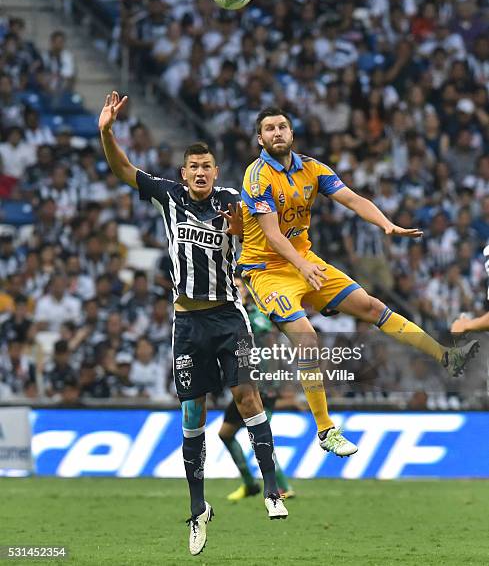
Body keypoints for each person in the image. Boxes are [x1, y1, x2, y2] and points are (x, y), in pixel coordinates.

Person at [99, 91, 287, 557]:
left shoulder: (234, 202)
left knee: (248, 397)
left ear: (216, 171)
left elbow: (257, 240)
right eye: (193, 167)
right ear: (184, 173)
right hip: (187, 322)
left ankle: (271, 490)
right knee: (192, 415)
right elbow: (124, 171)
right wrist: (106, 132)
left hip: (229, 317)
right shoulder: (168, 196)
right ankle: (198, 508)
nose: (200, 173)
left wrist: (238, 233)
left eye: (207, 166)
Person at [239, 106, 480, 457]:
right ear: (260, 139)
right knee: (306, 336)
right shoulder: (257, 176)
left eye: (283, 127)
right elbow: (272, 235)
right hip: (266, 269)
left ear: (292, 134)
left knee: (371, 306)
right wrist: (302, 267)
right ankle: (325, 430)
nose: (278, 133)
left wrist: (385, 224)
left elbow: (351, 198)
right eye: (270, 129)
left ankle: (446, 356)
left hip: (304, 261)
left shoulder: (312, 168)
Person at [219, 276, 295, 502]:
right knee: (226, 434)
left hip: (262, 388)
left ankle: (283, 487)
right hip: (243, 387)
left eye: (238, 286)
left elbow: (272, 352)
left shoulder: (257, 319)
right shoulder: (228, 317)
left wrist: (272, 384)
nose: (235, 289)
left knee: (260, 436)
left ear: (247, 291)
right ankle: (250, 484)